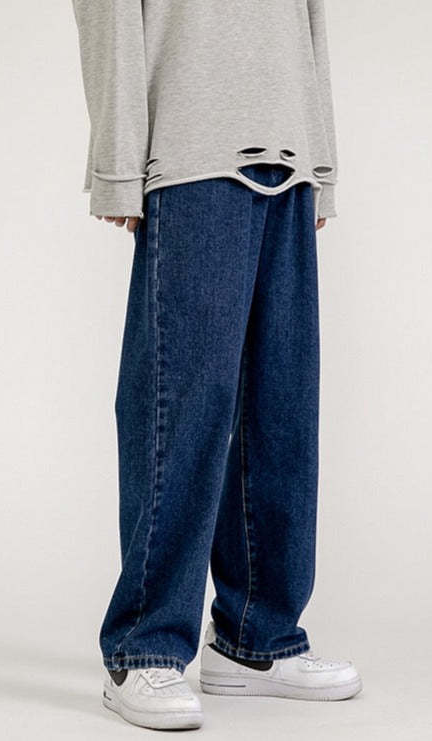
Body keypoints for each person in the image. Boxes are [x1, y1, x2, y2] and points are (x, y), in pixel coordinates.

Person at [71, 0, 362, 730]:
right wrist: (118, 165)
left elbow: (307, 21)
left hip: (289, 158)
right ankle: (143, 647)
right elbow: (109, 16)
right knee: (181, 407)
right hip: (190, 152)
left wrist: (320, 163)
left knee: (282, 408)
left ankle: (256, 639)